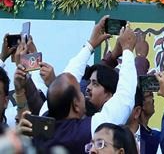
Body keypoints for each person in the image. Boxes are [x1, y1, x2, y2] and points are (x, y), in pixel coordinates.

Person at [32, 18, 138, 153]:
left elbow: (66, 78)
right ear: (76, 105)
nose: (85, 90)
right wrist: (127, 49)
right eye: (79, 92)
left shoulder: (42, 121)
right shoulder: (87, 131)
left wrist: (90, 45)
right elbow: (125, 98)